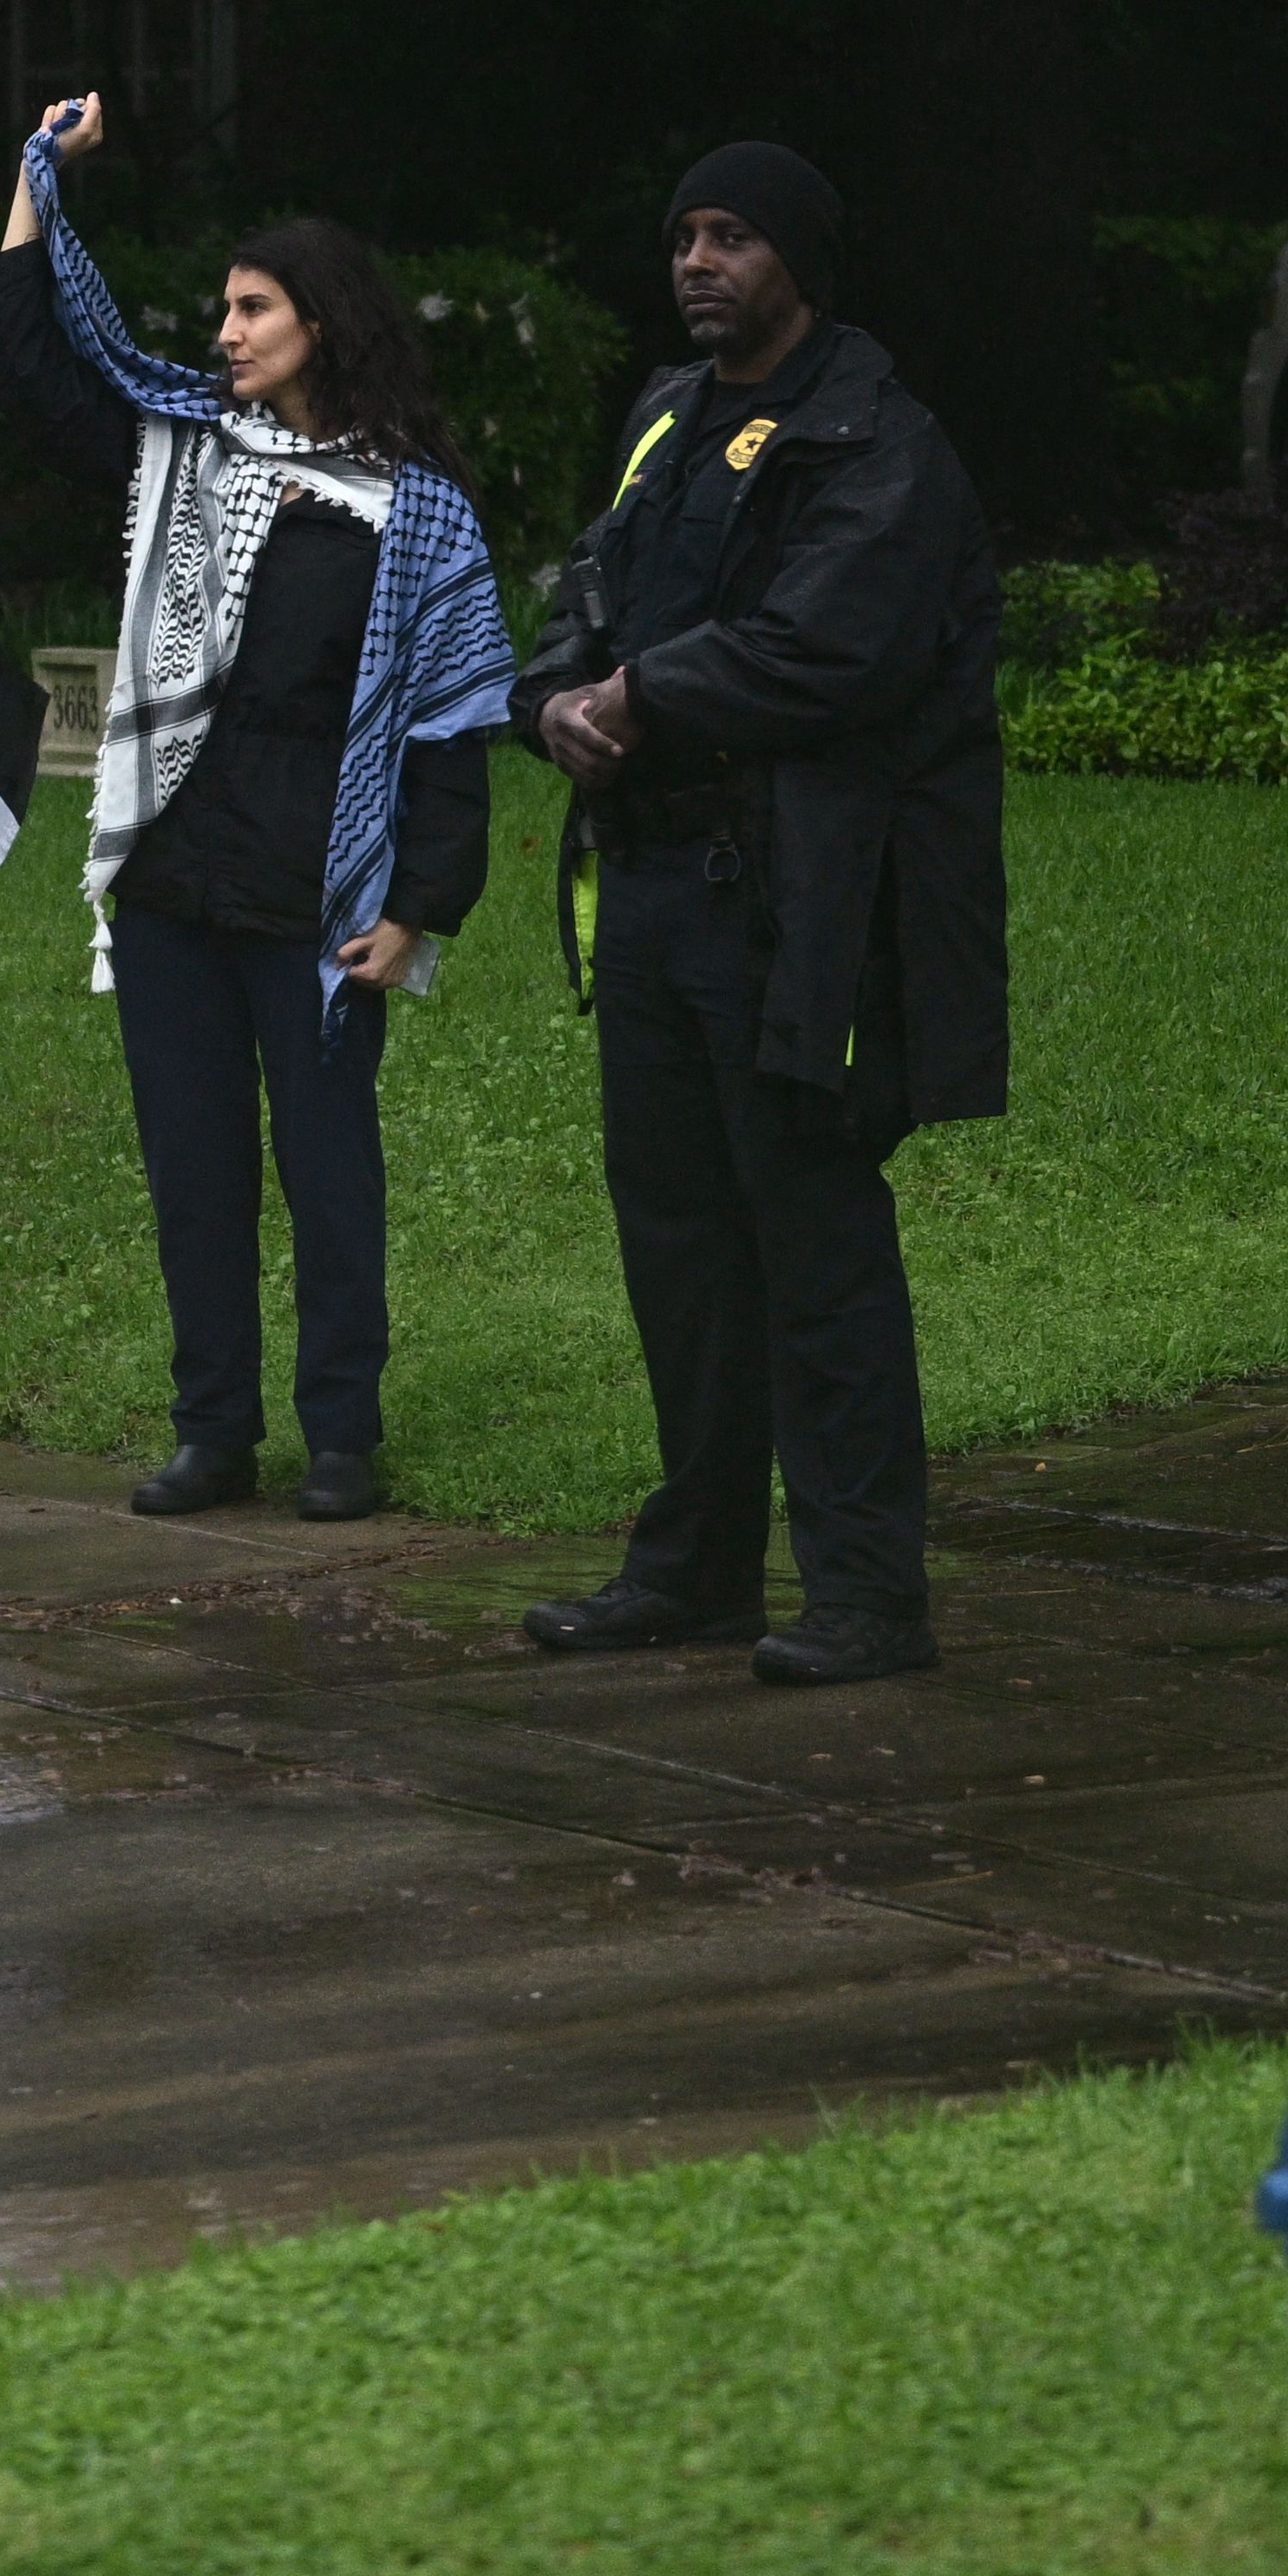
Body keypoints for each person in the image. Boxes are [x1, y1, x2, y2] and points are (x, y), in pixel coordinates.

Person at [510, 141, 1008, 1686]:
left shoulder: (878, 442)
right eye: (684, 236)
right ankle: (699, 1571)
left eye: (733, 237)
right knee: (680, 1246)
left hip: (797, 906)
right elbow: (581, 597)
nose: (698, 261)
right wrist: (553, 706)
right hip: (655, 896)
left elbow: (825, 653)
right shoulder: (665, 420)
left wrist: (641, 693)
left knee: (814, 1245)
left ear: (798, 258)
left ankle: (866, 1594)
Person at [0, 93, 516, 1519]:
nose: (223, 332)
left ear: (322, 324)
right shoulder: (189, 454)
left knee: (331, 1177)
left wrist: (417, 910)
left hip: (319, 893)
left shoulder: (421, 516)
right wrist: (38, 178)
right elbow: (33, 368)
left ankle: (341, 1435)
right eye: (222, 308)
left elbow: (454, 735)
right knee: (196, 1174)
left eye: (252, 307)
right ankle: (213, 1431)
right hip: (174, 874)